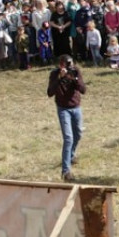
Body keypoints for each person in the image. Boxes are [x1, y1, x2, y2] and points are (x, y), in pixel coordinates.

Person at [46, 54, 86, 182]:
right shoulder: (54, 74)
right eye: (67, 65)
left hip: (76, 107)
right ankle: (66, 171)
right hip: (63, 109)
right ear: (61, 65)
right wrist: (60, 78)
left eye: (71, 64)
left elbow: (83, 89)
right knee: (68, 138)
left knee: (78, 133)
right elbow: (50, 93)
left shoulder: (75, 71)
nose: (69, 67)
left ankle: (71, 155)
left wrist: (73, 78)